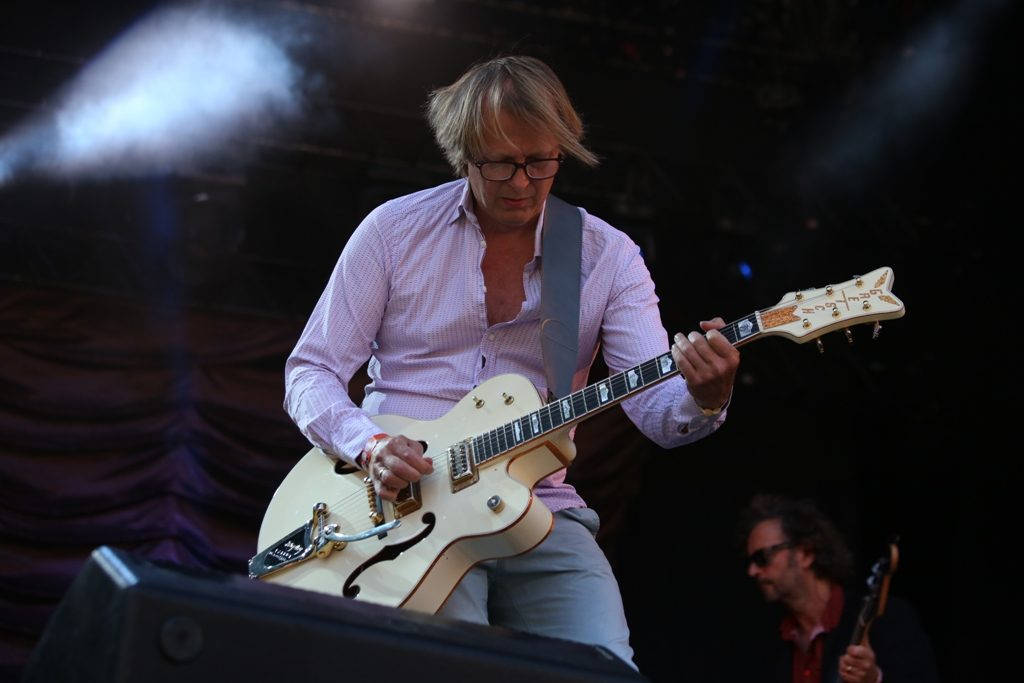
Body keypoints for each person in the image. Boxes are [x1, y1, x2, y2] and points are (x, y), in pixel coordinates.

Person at [283, 54, 740, 668]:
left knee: (606, 666)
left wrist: (705, 395)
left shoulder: (606, 256)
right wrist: (370, 446)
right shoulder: (392, 232)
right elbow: (310, 371)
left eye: (540, 161)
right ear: (463, 154)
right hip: (403, 498)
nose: (522, 182)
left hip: (538, 504)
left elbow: (659, 413)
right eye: (499, 162)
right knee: (462, 662)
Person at [738, 494, 939, 683]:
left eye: (761, 558)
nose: (752, 571)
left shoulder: (885, 619)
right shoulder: (774, 648)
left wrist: (875, 679)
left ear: (805, 553)